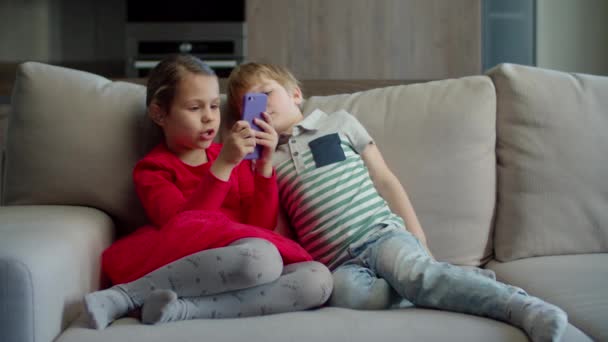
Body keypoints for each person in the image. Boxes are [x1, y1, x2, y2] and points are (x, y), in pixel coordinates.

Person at [224, 62, 568, 342]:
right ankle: (450, 283)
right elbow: (279, 230)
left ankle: (524, 309)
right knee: (346, 295)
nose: (262, 106)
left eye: (267, 93)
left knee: (415, 273)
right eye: (249, 105)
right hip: (337, 264)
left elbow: (384, 179)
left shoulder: (338, 123)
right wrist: (262, 162)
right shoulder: (264, 165)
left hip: (380, 235)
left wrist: (417, 237)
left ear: (296, 94)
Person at [83, 55, 332, 330]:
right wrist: (224, 164)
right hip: (193, 258)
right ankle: (124, 297)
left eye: (214, 106)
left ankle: (181, 310)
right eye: (194, 107)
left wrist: (263, 164)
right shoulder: (154, 170)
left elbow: (259, 226)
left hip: (244, 257)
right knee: (262, 257)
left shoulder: (232, 156)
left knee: (318, 280)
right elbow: (184, 227)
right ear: (159, 114)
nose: (209, 117)